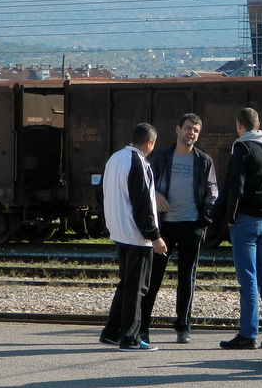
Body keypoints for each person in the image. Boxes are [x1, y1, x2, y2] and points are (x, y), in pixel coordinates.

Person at [140, 113, 219, 345]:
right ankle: (142, 327)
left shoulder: (204, 161)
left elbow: (213, 193)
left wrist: (203, 220)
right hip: (164, 227)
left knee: (187, 279)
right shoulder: (161, 158)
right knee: (153, 278)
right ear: (178, 130)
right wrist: (155, 194)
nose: (191, 133)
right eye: (188, 128)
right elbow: (144, 184)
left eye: (195, 130)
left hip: (191, 226)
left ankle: (183, 327)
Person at [218, 107, 262, 350]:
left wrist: (230, 217)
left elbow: (236, 187)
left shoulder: (242, 147)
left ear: (239, 125)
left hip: (245, 221)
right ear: (258, 125)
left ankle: (248, 334)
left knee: (248, 279)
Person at [98, 123, 168, 352]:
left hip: (118, 231)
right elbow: (143, 202)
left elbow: (100, 193)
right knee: (137, 288)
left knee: (126, 284)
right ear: (149, 143)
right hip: (137, 236)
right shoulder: (139, 162)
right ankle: (130, 338)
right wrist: (154, 235)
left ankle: (111, 332)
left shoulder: (114, 159)